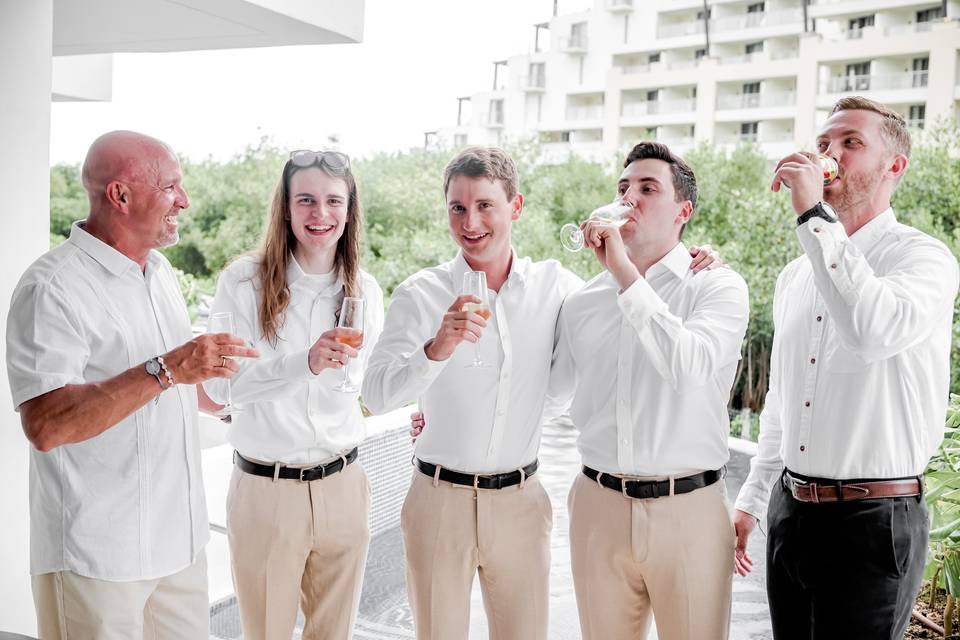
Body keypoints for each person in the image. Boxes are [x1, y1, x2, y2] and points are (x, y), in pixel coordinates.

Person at [367, 146, 720, 639]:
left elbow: (570, 374)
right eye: (458, 207)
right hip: (437, 499)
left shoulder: (559, 288)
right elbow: (377, 394)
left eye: (485, 205)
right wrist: (436, 348)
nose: (471, 222)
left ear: (516, 206)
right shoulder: (419, 293)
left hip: (520, 502)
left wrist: (696, 254)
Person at [5, 130, 258, 639]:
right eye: (170, 187)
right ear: (120, 196)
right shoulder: (51, 288)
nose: (184, 201)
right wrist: (167, 369)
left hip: (179, 546)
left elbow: (171, 393)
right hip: (97, 556)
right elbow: (46, 424)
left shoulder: (161, 273)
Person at [733, 96, 960, 638]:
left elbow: (871, 330)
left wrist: (814, 216)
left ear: (894, 166)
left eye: (851, 143)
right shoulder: (794, 275)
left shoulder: (924, 258)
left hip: (875, 522)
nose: (830, 154)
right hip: (792, 511)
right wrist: (754, 495)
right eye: (824, 144)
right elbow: (784, 401)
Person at [550, 141, 749, 640]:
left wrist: (623, 274)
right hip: (596, 506)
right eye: (623, 188)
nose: (629, 198)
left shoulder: (718, 287)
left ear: (683, 211)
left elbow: (689, 368)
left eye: (647, 188)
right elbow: (549, 394)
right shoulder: (582, 302)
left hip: (689, 509)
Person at [203, 150, 384, 640]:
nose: (319, 214)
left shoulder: (365, 290)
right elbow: (220, 389)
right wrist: (302, 363)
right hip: (267, 491)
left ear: (349, 211)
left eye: (332, 201)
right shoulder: (243, 282)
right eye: (305, 200)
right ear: (285, 208)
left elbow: (360, 386)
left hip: (344, 486)